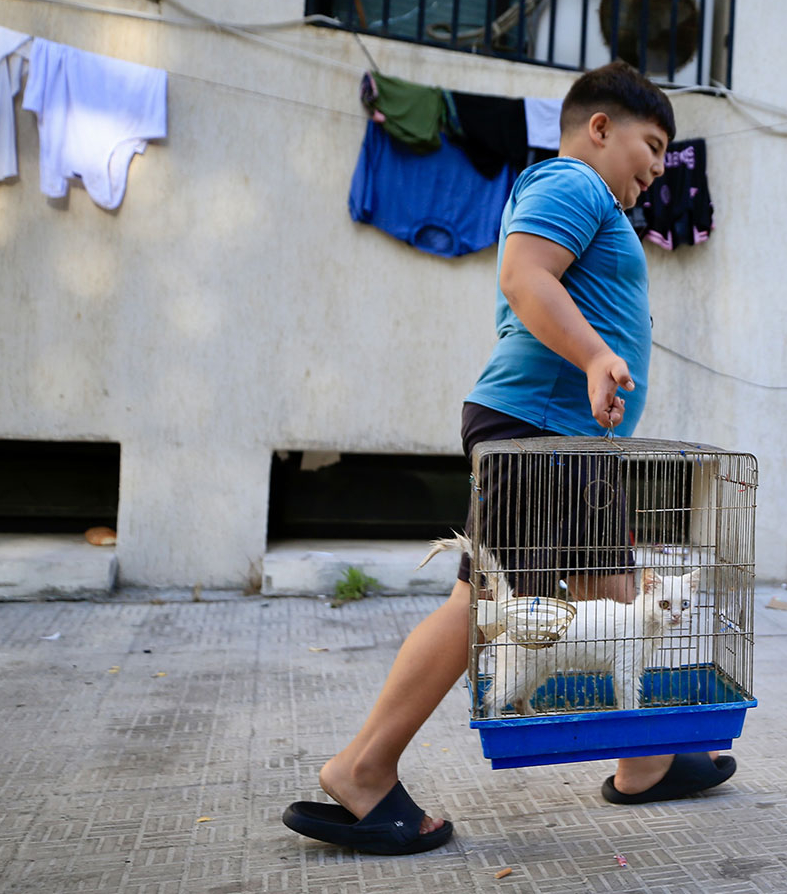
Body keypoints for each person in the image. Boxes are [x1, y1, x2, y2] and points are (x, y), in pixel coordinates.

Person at [282, 62, 735, 856]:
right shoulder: (571, 184)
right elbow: (524, 277)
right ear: (600, 129)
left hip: (570, 441)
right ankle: (363, 770)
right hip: (538, 431)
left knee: (612, 592)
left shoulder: (593, 201)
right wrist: (596, 356)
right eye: (652, 146)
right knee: (484, 608)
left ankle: (646, 759)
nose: (660, 167)